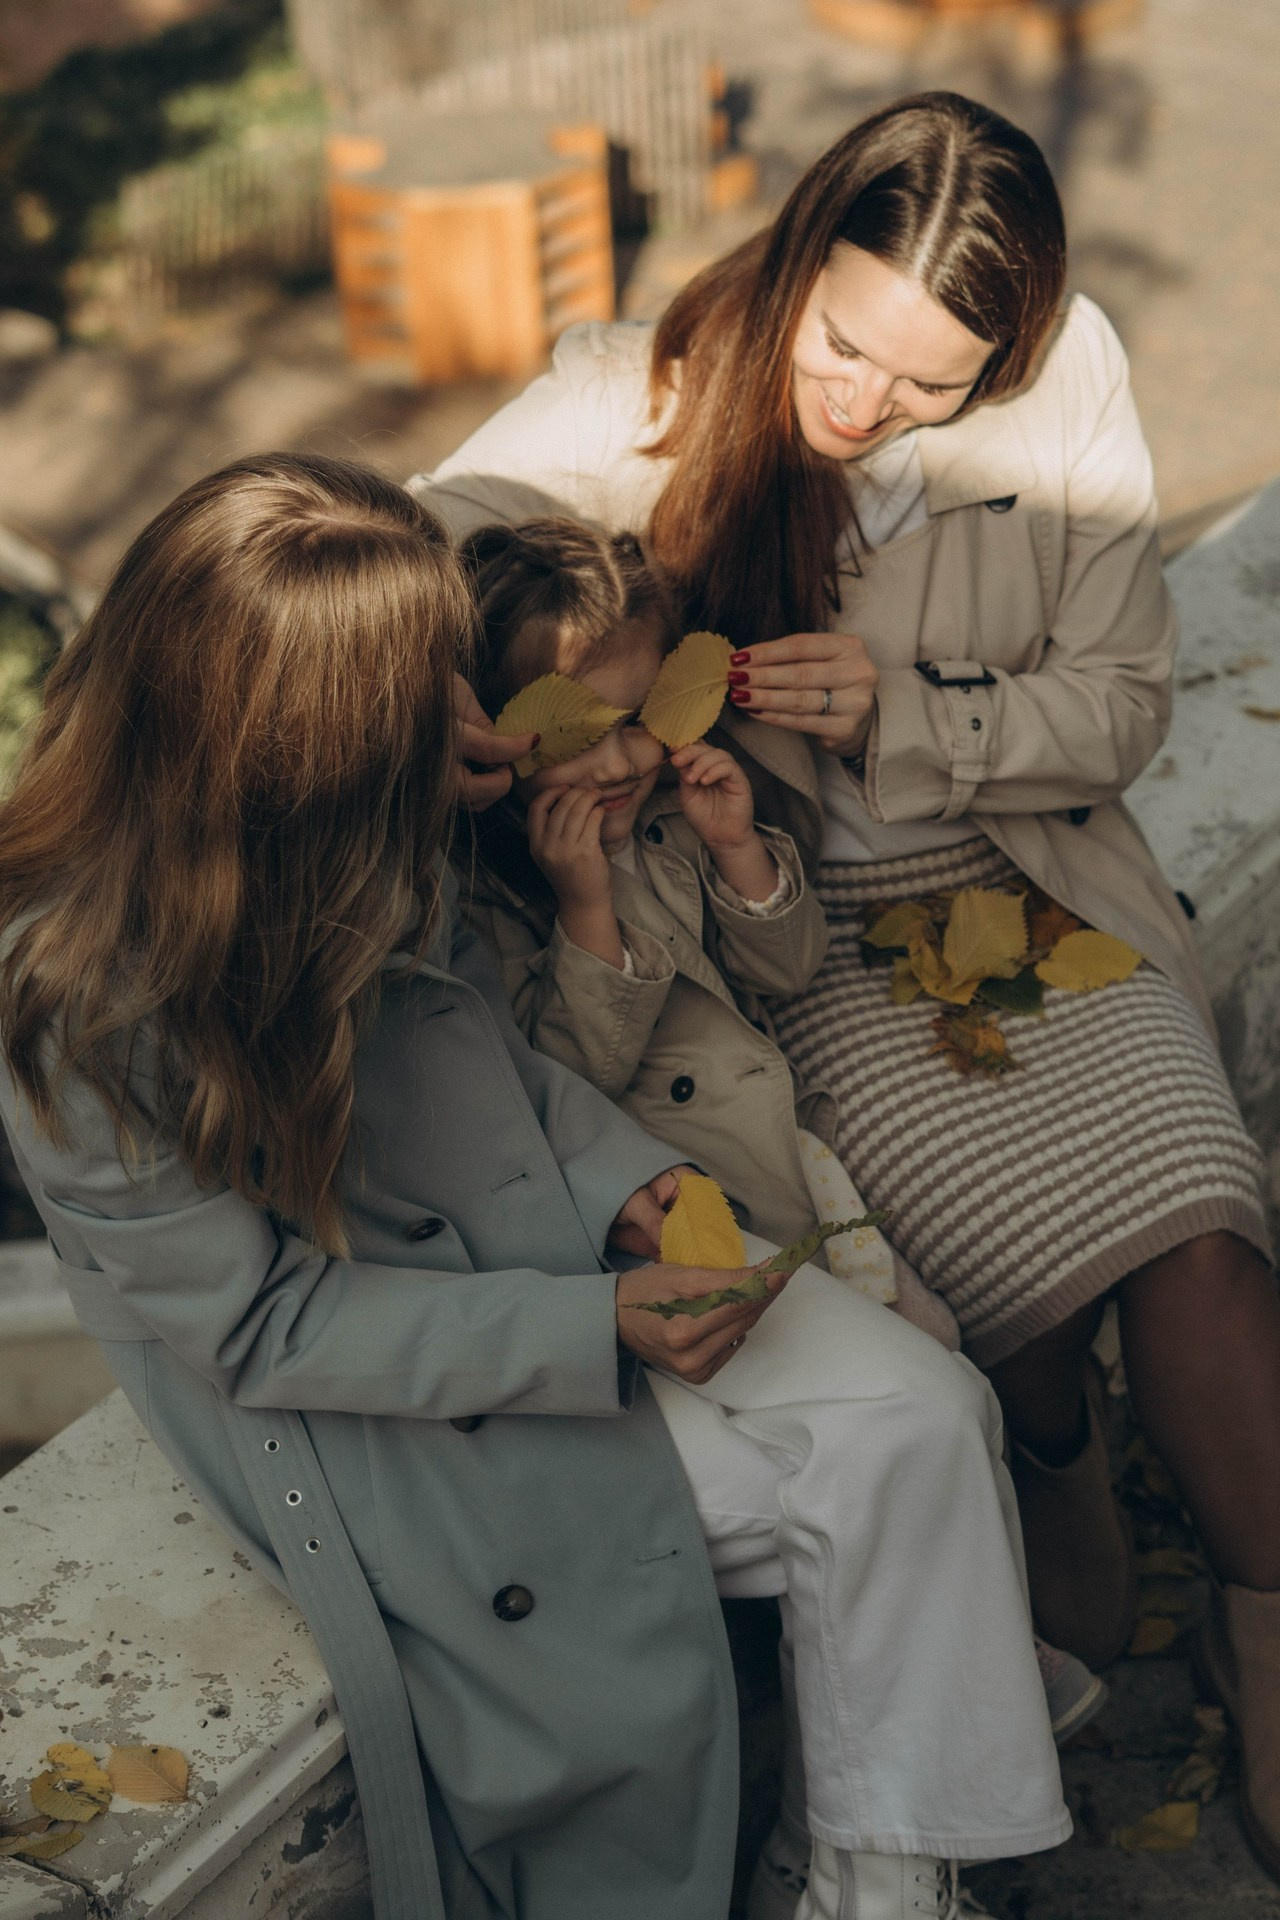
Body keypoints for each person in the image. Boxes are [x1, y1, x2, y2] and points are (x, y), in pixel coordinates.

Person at [0, 454, 1069, 1920]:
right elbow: (253, 1329)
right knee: (835, 1490)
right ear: (303, 736)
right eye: (425, 693)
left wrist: (621, 1181)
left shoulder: (365, 820)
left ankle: (882, 1891)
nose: (469, 719)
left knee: (931, 1409)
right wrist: (595, 1328)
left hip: (527, 1225)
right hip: (355, 1364)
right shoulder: (76, 999)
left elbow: (479, 1057)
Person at [409, 87, 1279, 1875]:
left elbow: (1120, 705)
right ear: (801, 255)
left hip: (1039, 887)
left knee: (1198, 1222)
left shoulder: (1074, 380)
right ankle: (1059, 1461)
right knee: (995, 1270)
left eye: (934, 382)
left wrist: (923, 714)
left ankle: (1266, 1635)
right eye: (841, 345)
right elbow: (398, 553)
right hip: (787, 939)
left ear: (1011, 353)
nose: (866, 403)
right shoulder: (643, 383)